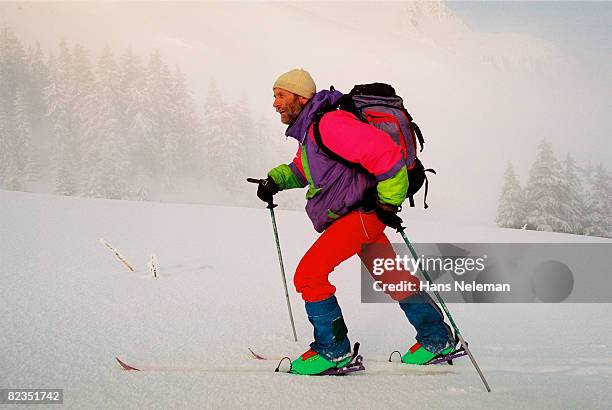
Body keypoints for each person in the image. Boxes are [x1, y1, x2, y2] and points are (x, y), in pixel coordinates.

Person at [254, 68, 454, 375]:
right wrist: (274, 181)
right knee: (391, 276)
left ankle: (333, 351)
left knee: (309, 275)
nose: (275, 103)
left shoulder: (329, 123)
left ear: (300, 96)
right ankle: (436, 338)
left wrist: (388, 202)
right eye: (274, 96)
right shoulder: (311, 132)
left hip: (362, 215)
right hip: (358, 214)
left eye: (280, 95)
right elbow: (304, 169)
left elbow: (386, 155)